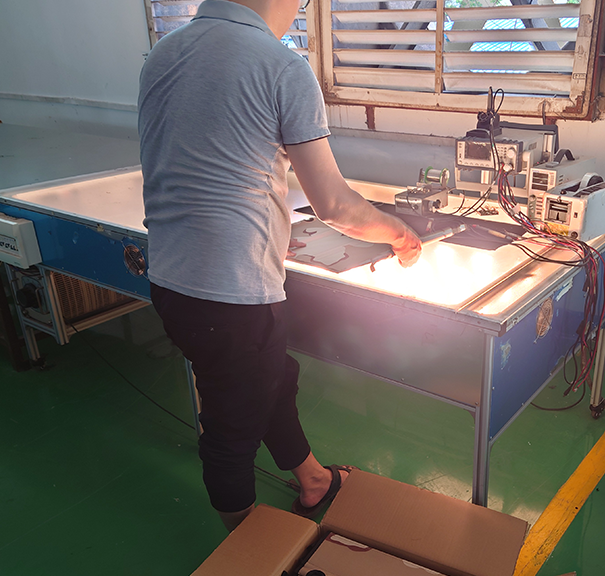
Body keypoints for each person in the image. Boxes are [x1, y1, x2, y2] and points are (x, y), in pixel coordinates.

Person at [138, 0, 421, 531]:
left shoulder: (164, 52)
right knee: (232, 430)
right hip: (231, 294)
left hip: (170, 278)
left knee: (271, 378)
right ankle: (250, 551)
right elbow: (334, 206)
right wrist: (401, 235)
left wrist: (263, 232)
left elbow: (205, 162)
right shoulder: (280, 65)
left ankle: (313, 481)